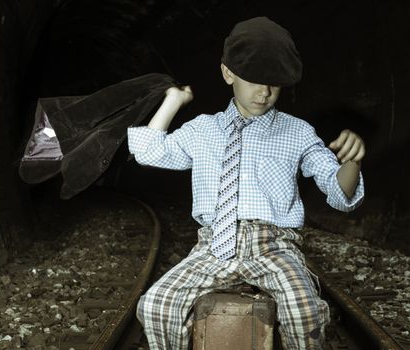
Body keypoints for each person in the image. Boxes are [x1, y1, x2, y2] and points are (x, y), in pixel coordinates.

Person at [127, 17, 365, 350]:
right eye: (254, 80)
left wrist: (351, 162)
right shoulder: (202, 130)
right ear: (228, 74)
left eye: (275, 82)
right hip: (211, 249)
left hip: (273, 247)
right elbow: (148, 152)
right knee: (155, 305)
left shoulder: (297, 133)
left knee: (304, 311)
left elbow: (337, 191)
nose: (264, 92)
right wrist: (172, 102)